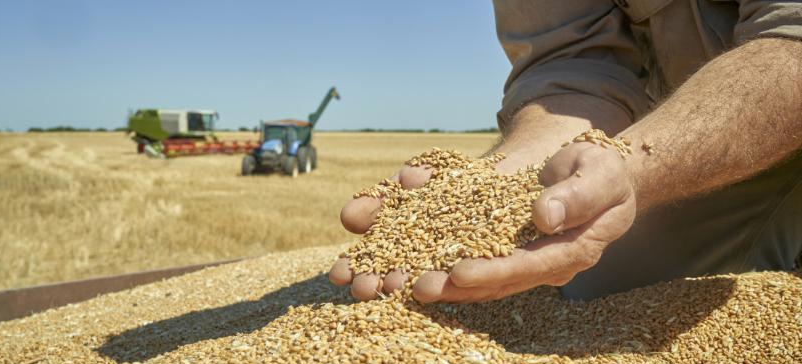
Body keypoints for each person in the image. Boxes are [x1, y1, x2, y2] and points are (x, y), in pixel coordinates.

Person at [330, 0, 802, 302]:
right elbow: (572, 60)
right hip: (684, 123)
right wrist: (521, 167)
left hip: (767, 105)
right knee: (589, 287)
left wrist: (640, 165)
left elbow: (793, 40)